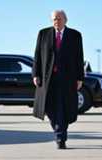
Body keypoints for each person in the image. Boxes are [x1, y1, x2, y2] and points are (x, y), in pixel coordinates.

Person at [32, 10, 84, 149]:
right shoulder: (43, 34)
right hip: (48, 78)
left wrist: (80, 78)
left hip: (67, 79)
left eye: (59, 19)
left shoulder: (75, 35)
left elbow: (79, 58)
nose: (57, 21)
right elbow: (37, 55)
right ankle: (58, 131)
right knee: (49, 107)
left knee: (63, 108)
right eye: (54, 19)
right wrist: (35, 74)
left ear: (65, 20)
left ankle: (60, 137)